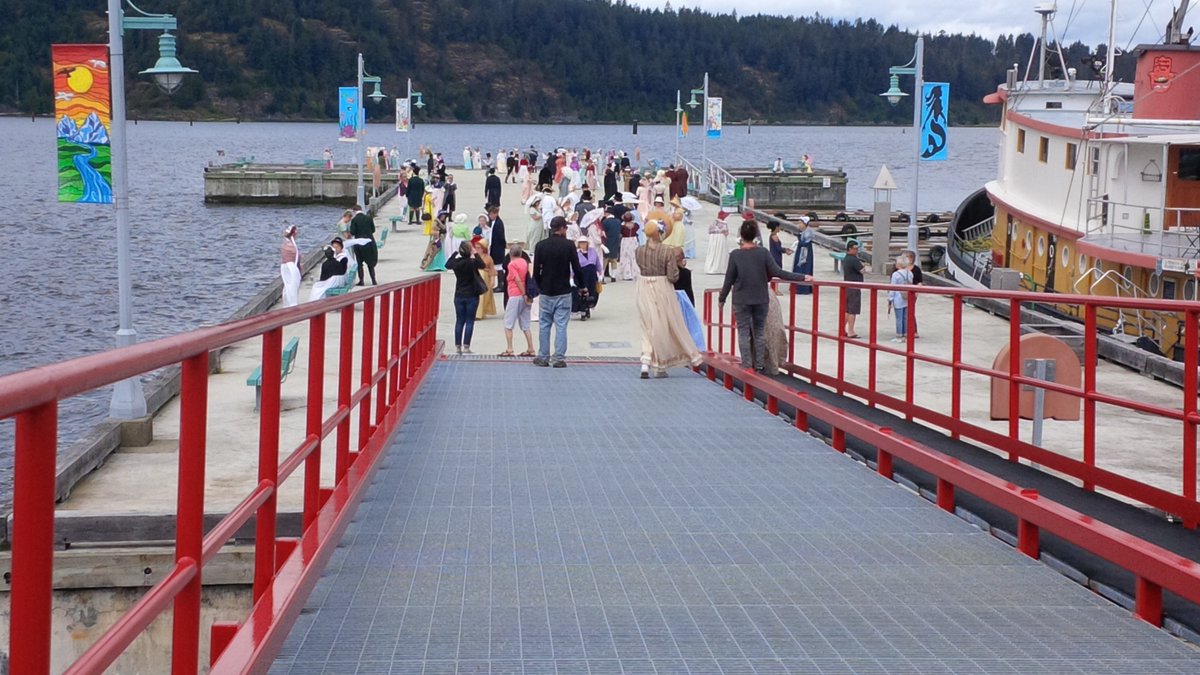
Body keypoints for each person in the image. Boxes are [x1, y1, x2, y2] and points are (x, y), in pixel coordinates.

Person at [719, 220, 812, 372]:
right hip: (760, 298)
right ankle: (760, 364)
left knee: (743, 332)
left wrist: (722, 299)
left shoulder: (735, 255)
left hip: (741, 299)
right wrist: (802, 277)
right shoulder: (763, 253)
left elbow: (729, 280)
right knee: (759, 332)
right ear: (756, 235)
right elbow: (778, 272)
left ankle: (747, 364)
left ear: (741, 236)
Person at [635, 220, 702, 378]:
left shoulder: (639, 250)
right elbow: (673, 276)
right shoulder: (666, 251)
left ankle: (646, 360)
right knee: (662, 326)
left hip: (643, 285)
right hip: (662, 287)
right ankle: (660, 365)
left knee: (648, 325)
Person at [532, 216, 584, 368]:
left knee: (544, 324)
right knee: (561, 325)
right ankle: (559, 358)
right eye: (565, 227)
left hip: (546, 291)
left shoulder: (540, 245)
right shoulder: (568, 245)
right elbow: (576, 267)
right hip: (563, 290)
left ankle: (543, 356)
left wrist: (539, 286)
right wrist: (582, 286)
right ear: (561, 228)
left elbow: (536, 271)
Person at [446, 240, 485, 354]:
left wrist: (454, 253)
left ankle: (458, 346)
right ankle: (466, 346)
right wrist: (475, 253)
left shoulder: (456, 263)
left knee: (459, 320)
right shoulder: (472, 262)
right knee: (469, 321)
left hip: (459, 294)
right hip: (472, 294)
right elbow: (482, 265)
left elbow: (447, 264)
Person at [500, 243, 535, 357]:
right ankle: (531, 348)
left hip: (515, 294)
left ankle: (509, 348)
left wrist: (523, 293)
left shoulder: (512, 264)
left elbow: (517, 279)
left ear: (510, 253)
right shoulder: (524, 262)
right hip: (525, 295)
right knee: (525, 323)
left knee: (508, 323)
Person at [349, 205, 378, 285]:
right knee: (370, 262)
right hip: (369, 241)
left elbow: (353, 232)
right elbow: (373, 230)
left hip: (359, 243)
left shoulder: (354, 220)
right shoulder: (369, 218)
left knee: (359, 263)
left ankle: (361, 281)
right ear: (361, 210)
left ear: (354, 211)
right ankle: (373, 280)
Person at [573, 237, 601, 320]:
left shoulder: (592, 251)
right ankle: (583, 312)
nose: (583, 245)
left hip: (592, 276)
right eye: (581, 243)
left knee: (592, 293)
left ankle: (587, 308)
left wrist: (600, 273)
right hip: (581, 275)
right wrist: (571, 276)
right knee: (582, 293)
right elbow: (573, 265)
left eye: (584, 243)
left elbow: (597, 263)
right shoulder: (576, 253)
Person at [888, 254, 914, 343]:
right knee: (905, 317)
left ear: (898, 264)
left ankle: (899, 336)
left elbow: (892, 288)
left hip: (898, 297)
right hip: (907, 297)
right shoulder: (910, 273)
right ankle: (905, 334)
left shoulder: (896, 274)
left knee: (899, 318)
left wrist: (890, 299)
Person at [843, 239, 865, 338]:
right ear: (850, 249)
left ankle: (842, 328)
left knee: (847, 309)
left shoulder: (846, 258)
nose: (856, 251)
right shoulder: (854, 259)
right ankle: (851, 331)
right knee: (853, 310)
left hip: (847, 286)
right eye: (855, 249)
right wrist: (863, 266)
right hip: (854, 287)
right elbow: (862, 270)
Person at [766, 221, 794, 294]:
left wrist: (785, 249)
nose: (779, 228)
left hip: (774, 255)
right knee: (776, 272)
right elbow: (778, 248)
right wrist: (785, 251)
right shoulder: (774, 236)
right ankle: (775, 289)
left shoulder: (772, 235)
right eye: (778, 227)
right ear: (776, 227)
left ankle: (774, 289)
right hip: (776, 256)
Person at [474, 236, 498, 320]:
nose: (477, 249)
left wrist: (492, 281)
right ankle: (476, 313)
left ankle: (480, 313)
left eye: (479, 248)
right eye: (476, 247)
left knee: (483, 296)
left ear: (483, 249)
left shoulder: (488, 258)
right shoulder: (474, 257)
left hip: (485, 278)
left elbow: (492, 270)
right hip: (476, 277)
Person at [791, 215, 815, 295]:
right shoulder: (802, 232)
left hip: (805, 254)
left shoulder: (808, 233)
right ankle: (797, 287)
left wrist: (799, 242)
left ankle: (803, 288)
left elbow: (805, 244)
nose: (799, 225)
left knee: (804, 269)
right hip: (801, 251)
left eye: (801, 223)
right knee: (798, 269)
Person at [280, 224, 301, 307]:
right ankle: (292, 304)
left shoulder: (286, 243)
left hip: (286, 266)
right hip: (290, 266)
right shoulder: (289, 245)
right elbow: (296, 256)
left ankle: (288, 304)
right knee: (292, 286)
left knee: (288, 287)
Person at [487, 205, 507, 292]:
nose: (490, 216)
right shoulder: (493, 222)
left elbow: (500, 237)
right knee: (497, 266)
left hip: (498, 248)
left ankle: (501, 284)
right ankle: (499, 284)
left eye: (491, 214)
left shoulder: (498, 223)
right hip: (494, 247)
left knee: (499, 266)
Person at [904, 248, 923, 338]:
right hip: (902, 292)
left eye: (908, 257)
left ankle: (914, 331)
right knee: (902, 311)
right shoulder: (901, 268)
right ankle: (904, 330)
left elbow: (919, 281)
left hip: (912, 292)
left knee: (910, 311)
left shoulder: (916, 269)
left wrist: (917, 291)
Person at [617, 212, 641, 281]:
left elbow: (620, 232)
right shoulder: (635, 225)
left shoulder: (623, 226)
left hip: (625, 241)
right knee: (634, 257)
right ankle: (635, 273)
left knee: (625, 257)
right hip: (633, 240)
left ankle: (627, 274)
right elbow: (637, 227)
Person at [705, 210, 730, 275]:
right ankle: (719, 267)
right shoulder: (723, 223)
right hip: (720, 238)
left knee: (715, 252)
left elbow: (710, 230)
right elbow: (726, 232)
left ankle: (714, 267)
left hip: (714, 239)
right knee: (720, 252)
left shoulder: (714, 222)